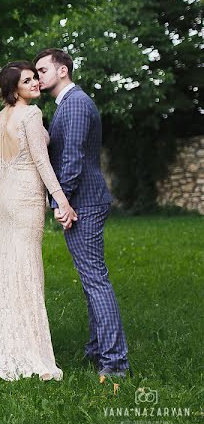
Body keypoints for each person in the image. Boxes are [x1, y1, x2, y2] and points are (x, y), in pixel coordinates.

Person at [0, 61, 76, 381]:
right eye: (27, 81)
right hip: (24, 199)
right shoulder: (31, 114)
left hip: (0, 199)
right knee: (27, 274)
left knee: (6, 272)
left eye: (35, 78)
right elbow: (42, 164)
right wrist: (62, 200)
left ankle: (1, 343)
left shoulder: (2, 117)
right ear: (14, 88)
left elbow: (5, 162)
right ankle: (27, 352)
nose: (35, 84)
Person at [33, 48, 130, 380]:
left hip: (84, 202)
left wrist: (62, 203)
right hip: (84, 200)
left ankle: (115, 363)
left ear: (63, 71)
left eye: (43, 70)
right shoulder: (68, 105)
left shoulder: (74, 104)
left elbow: (72, 159)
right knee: (93, 279)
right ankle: (96, 348)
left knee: (95, 280)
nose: (37, 76)